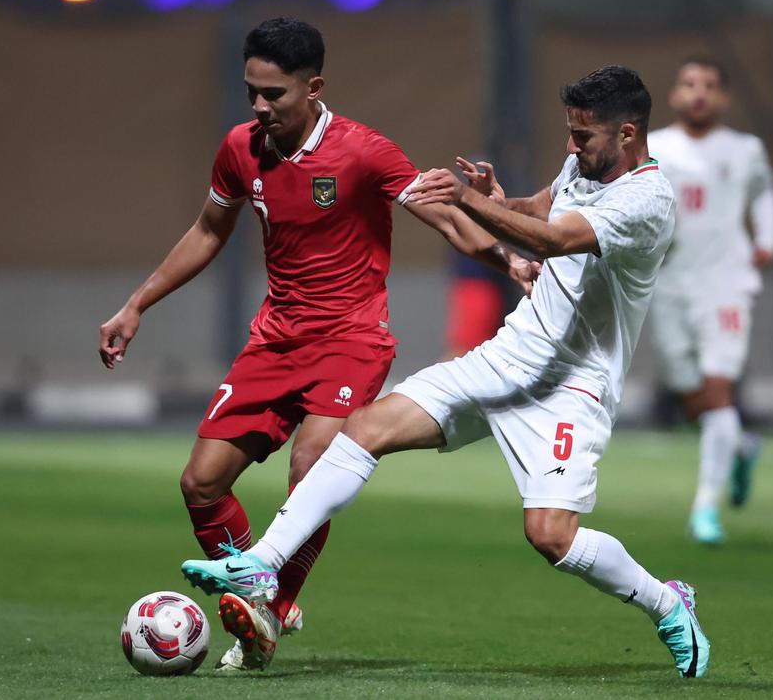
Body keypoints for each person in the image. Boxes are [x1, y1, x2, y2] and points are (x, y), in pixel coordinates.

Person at [183, 65, 712, 679]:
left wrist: (463, 201)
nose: (572, 147)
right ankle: (264, 562)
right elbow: (540, 209)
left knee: (551, 536)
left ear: (627, 134)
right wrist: (495, 200)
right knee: (366, 429)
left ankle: (668, 602)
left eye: (583, 137)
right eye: (569, 134)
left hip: (571, 384)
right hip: (507, 356)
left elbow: (553, 239)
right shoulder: (587, 164)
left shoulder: (646, 200)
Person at [98, 17, 535, 672]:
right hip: (275, 339)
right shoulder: (241, 149)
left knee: (311, 468)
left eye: (273, 94)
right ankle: (256, 590)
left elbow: (445, 217)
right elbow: (208, 231)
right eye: (252, 91)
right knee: (200, 484)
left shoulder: (363, 152)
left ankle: (270, 610)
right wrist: (136, 304)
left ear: (314, 87)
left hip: (352, 339)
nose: (259, 106)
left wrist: (509, 263)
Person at [647, 57, 773, 545]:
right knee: (692, 398)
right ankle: (741, 446)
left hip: (726, 282)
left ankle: (705, 507)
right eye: (689, 84)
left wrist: (766, 237)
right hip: (668, 283)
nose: (698, 93)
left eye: (709, 85)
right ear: (676, 94)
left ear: (723, 98)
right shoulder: (654, 148)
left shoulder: (745, 150)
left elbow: (764, 194)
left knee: (719, 390)